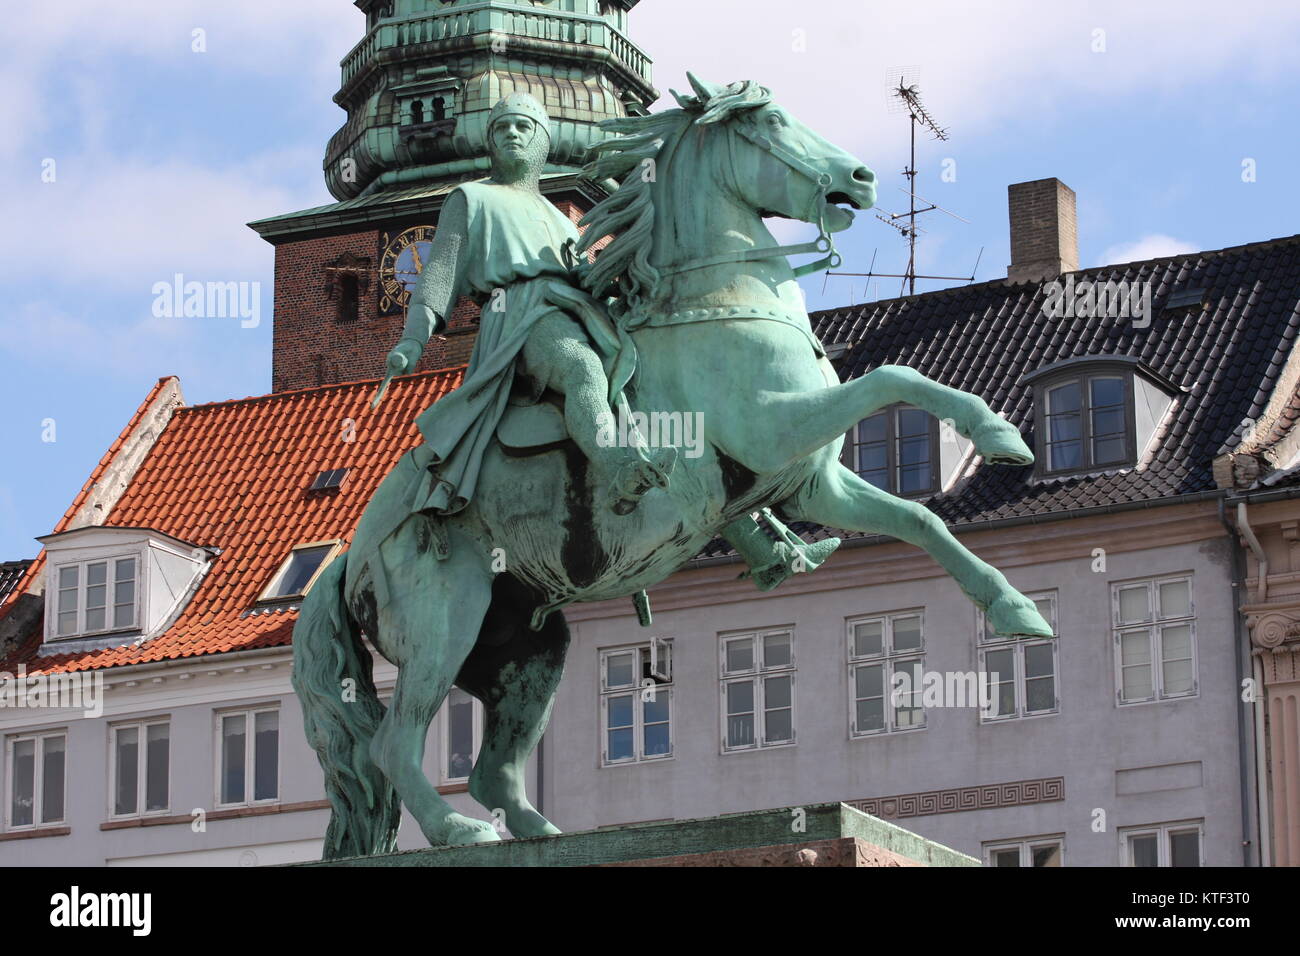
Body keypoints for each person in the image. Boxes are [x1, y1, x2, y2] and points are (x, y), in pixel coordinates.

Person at [377, 92, 672, 517]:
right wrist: (413, 340)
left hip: (575, 309)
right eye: (501, 127)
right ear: (490, 142)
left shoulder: (561, 218)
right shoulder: (471, 198)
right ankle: (619, 468)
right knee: (581, 366)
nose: (511, 134)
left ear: (542, 141)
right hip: (519, 312)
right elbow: (438, 274)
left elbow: (582, 277)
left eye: (523, 126)